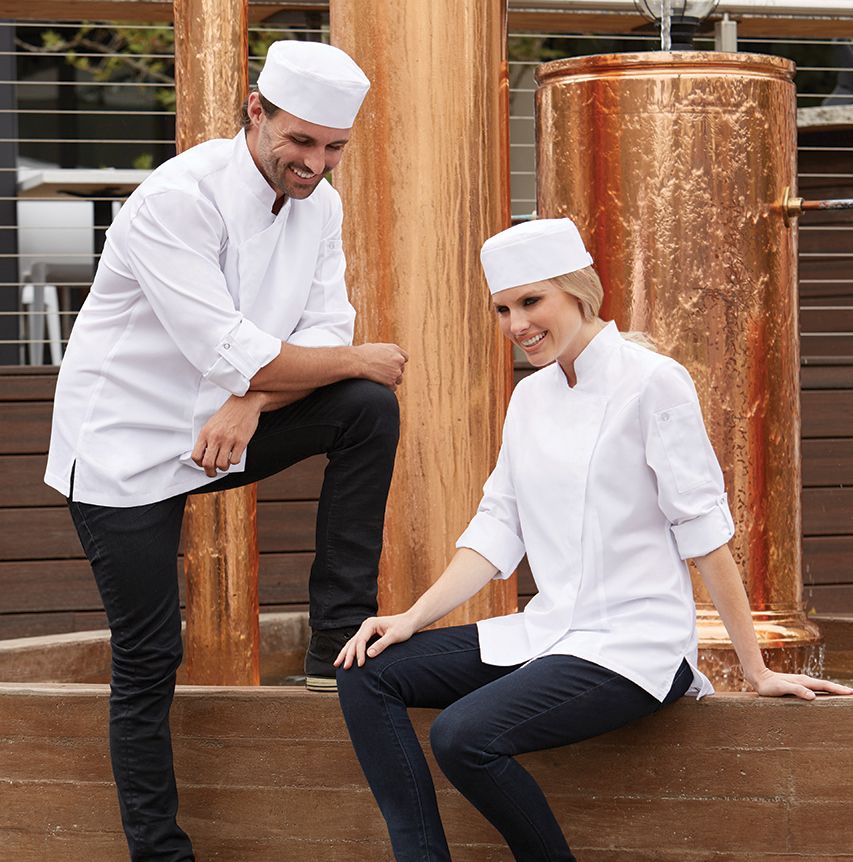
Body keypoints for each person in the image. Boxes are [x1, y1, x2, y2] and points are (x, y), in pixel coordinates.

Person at [335, 218, 852, 862]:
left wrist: (756, 669)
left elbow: (704, 534)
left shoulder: (654, 381)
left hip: (637, 648)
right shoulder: (529, 399)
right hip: (553, 632)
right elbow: (496, 529)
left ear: (579, 291)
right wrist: (411, 618)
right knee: (366, 670)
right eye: (503, 309)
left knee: (463, 735)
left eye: (531, 301)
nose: (517, 324)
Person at [44, 40, 407, 861]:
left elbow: (320, 335)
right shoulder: (178, 200)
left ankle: (334, 640)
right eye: (300, 140)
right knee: (149, 656)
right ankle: (160, 854)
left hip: (224, 425)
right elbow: (260, 349)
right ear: (255, 111)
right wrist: (336, 361)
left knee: (364, 408)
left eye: (333, 147)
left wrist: (250, 399)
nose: (314, 163)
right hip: (123, 450)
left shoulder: (322, 206)